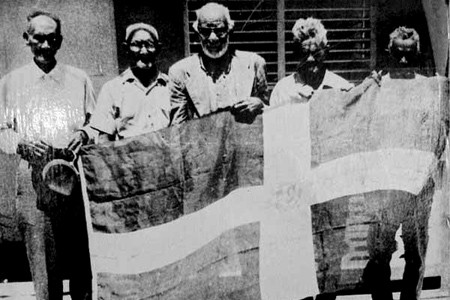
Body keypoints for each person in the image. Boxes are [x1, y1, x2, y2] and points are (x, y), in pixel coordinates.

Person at [0, 11, 95, 300]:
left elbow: (97, 123)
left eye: (51, 38)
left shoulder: (78, 79)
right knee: (42, 258)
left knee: (81, 258)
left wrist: (83, 135)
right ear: (27, 39)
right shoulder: (11, 82)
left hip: (73, 177)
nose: (44, 45)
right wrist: (22, 144)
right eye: (38, 38)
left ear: (60, 41)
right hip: (33, 178)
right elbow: (1, 129)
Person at [361, 26, 430, 300]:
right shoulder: (376, 87)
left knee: (415, 254)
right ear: (389, 53)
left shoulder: (428, 88)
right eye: (398, 55)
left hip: (417, 185)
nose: (403, 61)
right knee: (379, 255)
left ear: (418, 55)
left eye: (409, 55)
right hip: (385, 186)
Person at [169, 2, 269, 125]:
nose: (213, 38)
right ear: (197, 33)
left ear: (229, 30)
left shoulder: (254, 64)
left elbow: (268, 115)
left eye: (219, 30)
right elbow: (178, 128)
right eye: (206, 31)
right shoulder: (180, 72)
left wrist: (260, 104)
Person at [73, 23, 170, 145]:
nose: (144, 51)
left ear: (158, 49)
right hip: (128, 162)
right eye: (137, 45)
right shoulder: (112, 89)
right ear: (126, 49)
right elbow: (104, 140)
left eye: (150, 45)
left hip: (165, 160)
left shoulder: (170, 87)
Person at [270, 17, 353, 106]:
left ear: (326, 52)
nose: (310, 59)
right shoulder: (282, 90)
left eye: (316, 53)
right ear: (297, 54)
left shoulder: (342, 88)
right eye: (304, 54)